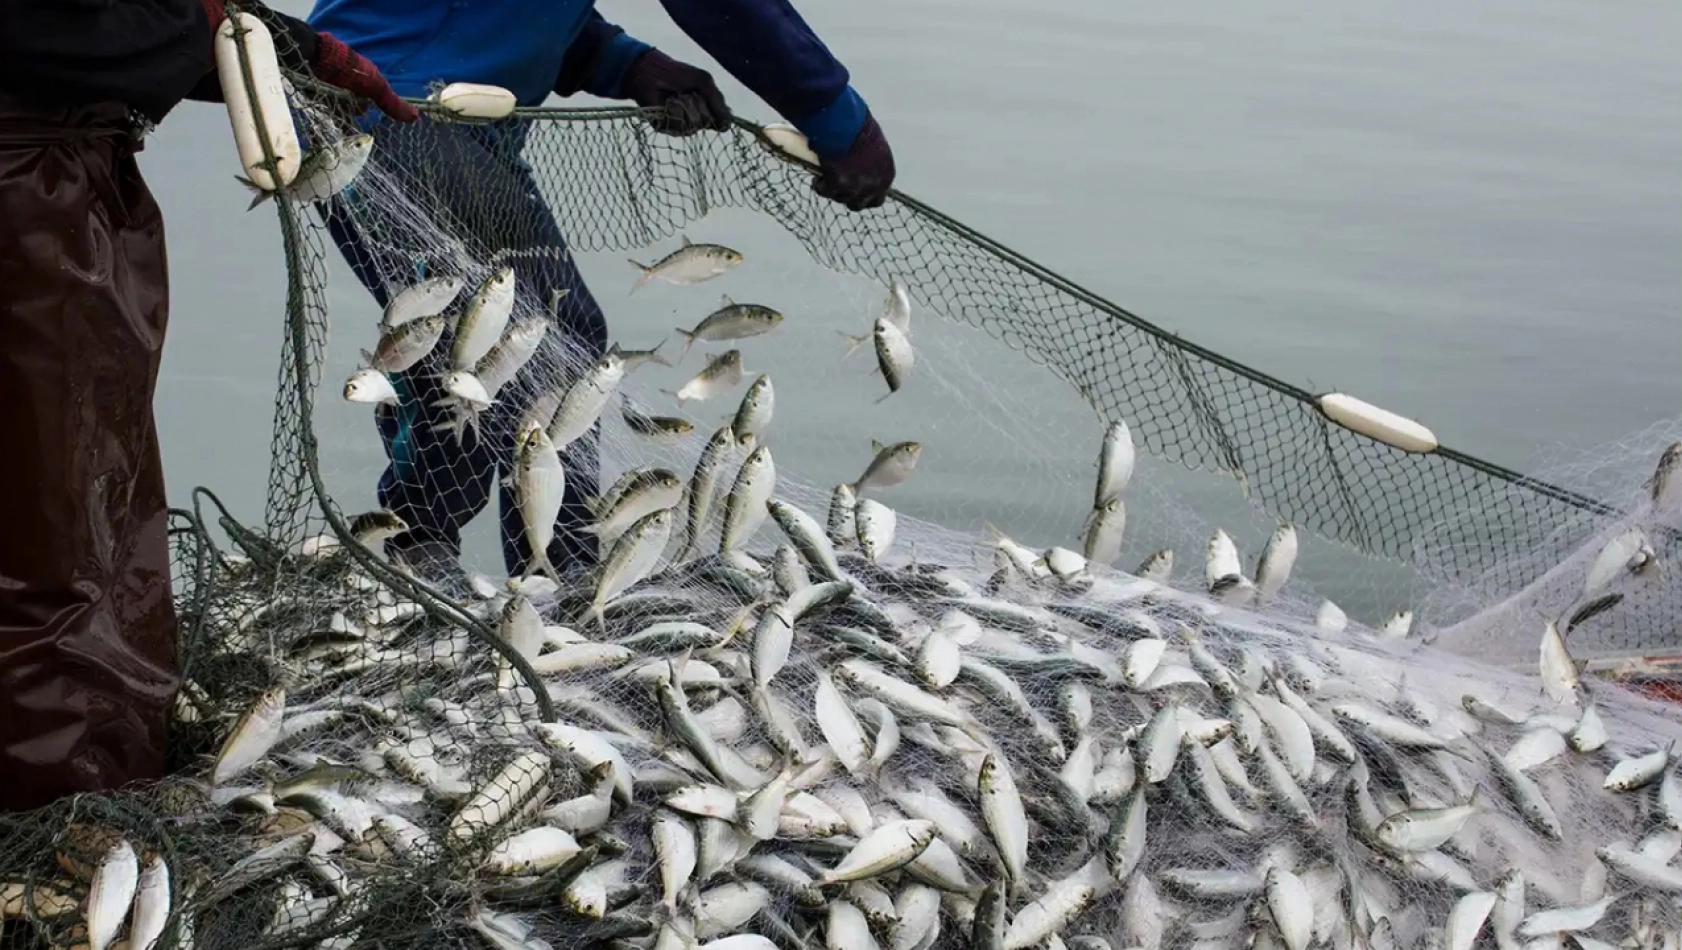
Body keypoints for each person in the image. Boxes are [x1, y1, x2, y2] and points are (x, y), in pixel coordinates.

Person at [308, 0, 897, 594]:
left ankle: (533, 565)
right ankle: (452, 557)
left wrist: (622, 63)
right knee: (504, 342)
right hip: (391, 109)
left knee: (542, 339)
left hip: (436, 115)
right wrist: (839, 120)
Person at [0, 1, 414, 813]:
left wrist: (282, 46)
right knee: (56, 529)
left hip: (56, 178)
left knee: (77, 500)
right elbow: (46, 29)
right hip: (27, 201)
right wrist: (211, 30)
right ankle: (63, 812)